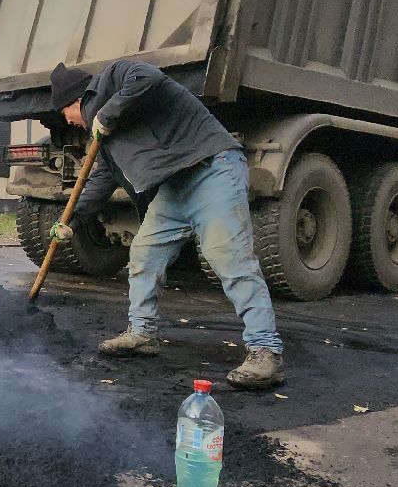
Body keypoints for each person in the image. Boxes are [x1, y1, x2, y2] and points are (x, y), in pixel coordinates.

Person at [47, 60, 284, 390]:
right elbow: (98, 184)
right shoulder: (103, 144)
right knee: (143, 254)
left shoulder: (113, 80)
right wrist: (68, 220)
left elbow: (151, 76)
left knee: (227, 258)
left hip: (211, 169)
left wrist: (108, 112)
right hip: (174, 188)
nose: (68, 121)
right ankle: (142, 333)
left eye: (65, 113)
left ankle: (265, 351)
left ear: (75, 101)